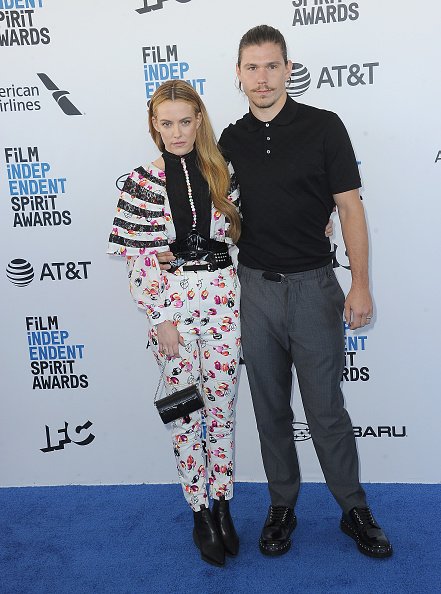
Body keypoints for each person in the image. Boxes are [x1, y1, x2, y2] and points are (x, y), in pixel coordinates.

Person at [160, 25, 392, 559]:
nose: (261, 78)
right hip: (252, 293)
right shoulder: (229, 142)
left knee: (326, 409)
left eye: (271, 66)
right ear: (237, 75)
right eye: (251, 68)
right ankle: (281, 506)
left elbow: (350, 207)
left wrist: (360, 284)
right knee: (269, 410)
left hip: (315, 288)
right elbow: (196, 203)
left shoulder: (324, 127)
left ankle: (353, 508)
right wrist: (162, 251)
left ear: (288, 69)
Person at [107, 80, 242, 567]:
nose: (177, 132)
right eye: (166, 123)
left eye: (185, 121)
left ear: (199, 120)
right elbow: (139, 261)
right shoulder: (140, 182)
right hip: (174, 312)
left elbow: (245, 233)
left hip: (224, 303)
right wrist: (160, 319)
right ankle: (200, 512)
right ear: (154, 126)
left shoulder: (223, 174)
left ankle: (224, 503)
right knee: (184, 411)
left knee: (222, 408)